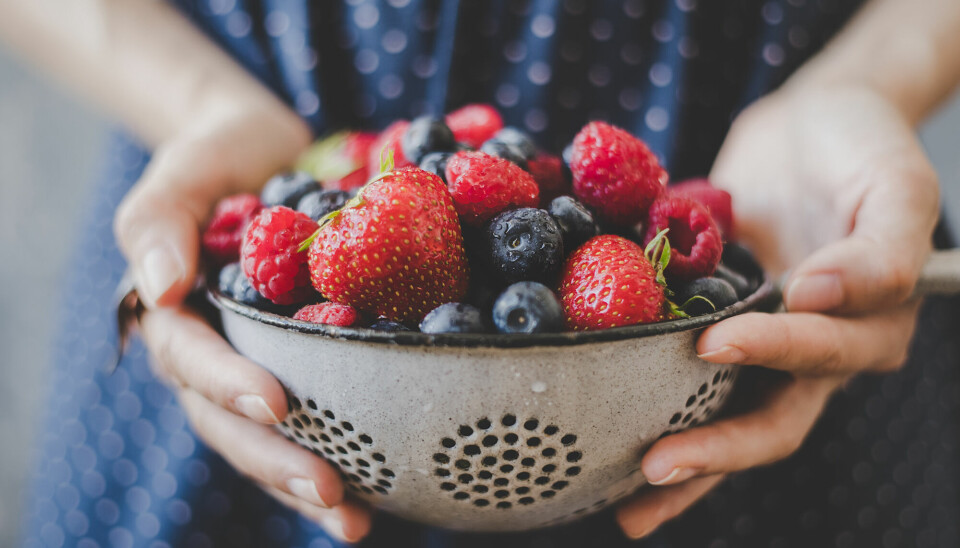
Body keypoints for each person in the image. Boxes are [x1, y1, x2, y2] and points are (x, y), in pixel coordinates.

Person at [4, 1, 959, 546]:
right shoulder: (320, 226)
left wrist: (869, 77)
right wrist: (198, 104)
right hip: (257, 247)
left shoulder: (633, 237)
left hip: (769, 259)